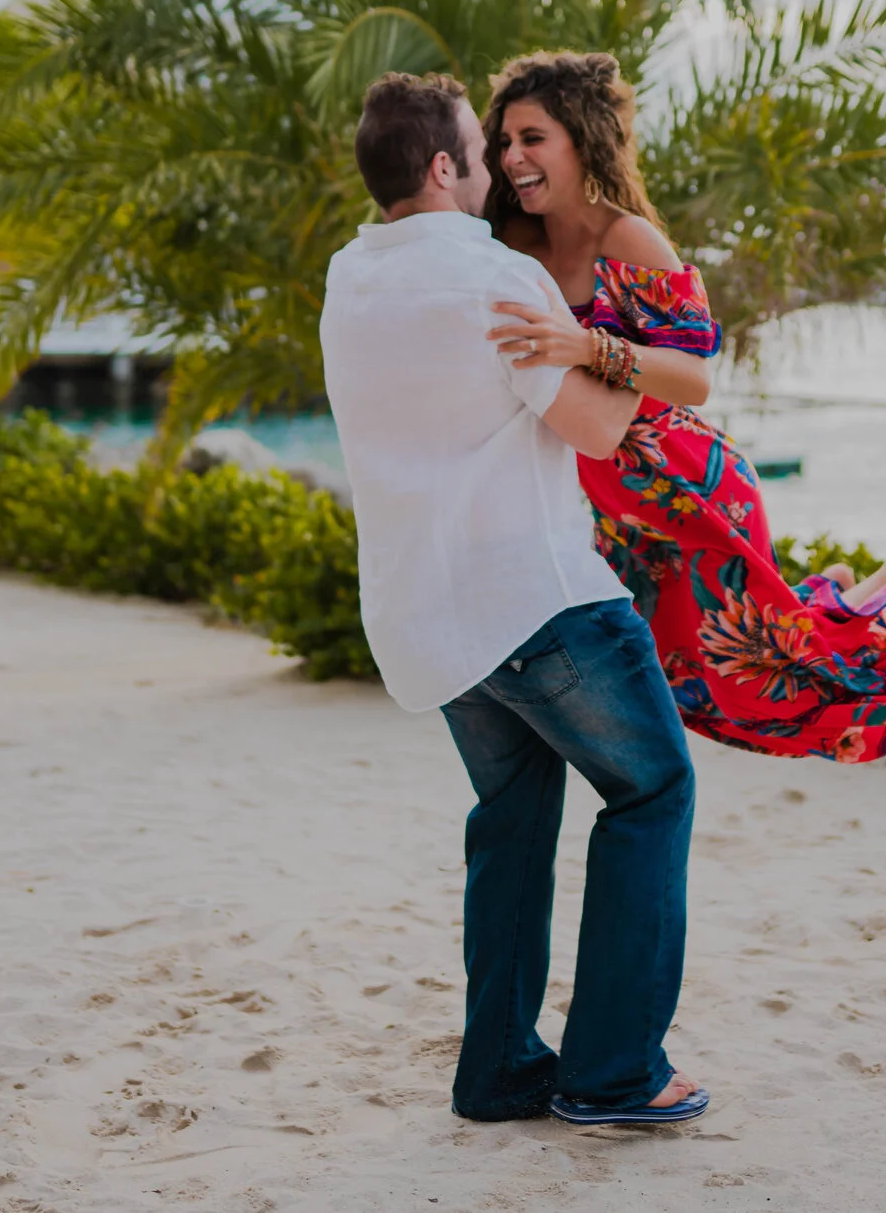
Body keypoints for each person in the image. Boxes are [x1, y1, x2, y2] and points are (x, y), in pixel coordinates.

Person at [318, 71, 710, 1128]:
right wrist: (614, 355)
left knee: (514, 819)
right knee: (653, 790)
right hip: (539, 605)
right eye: (483, 156)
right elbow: (590, 430)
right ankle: (615, 1072)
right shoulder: (495, 279)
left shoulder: (346, 278)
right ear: (444, 168)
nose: (498, 171)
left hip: (429, 624)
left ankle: (497, 1069)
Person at [478, 51, 886, 764]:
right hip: (603, 499)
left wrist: (585, 348)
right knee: (686, 683)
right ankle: (841, 587)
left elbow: (692, 379)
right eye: (504, 142)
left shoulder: (625, 240)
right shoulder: (511, 242)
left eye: (532, 138)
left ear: (581, 138)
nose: (513, 157)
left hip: (683, 486)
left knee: (748, 679)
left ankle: (884, 585)